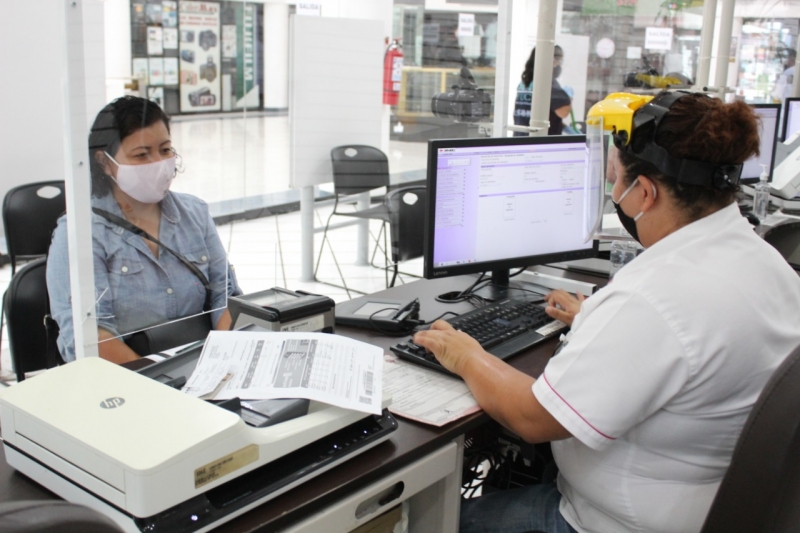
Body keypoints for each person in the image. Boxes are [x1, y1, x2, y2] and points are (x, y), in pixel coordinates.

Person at [414, 91, 800, 533]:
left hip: (610, 522)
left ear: (646, 193)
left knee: (433, 522)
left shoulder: (654, 298)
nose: (614, 193)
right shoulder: (768, 263)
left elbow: (532, 418)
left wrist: (466, 355)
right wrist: (597, 322)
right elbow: (697, 342)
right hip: (713, 501)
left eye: (617, 179)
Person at [47, 96, 242, 364]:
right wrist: (162, 382)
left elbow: (226, 299)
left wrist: (222, 363)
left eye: (165, 150)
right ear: (104, 162)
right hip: (126, 381)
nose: (158, 163)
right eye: (141, 154)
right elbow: (90, 337)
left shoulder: (195, 213)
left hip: (201, 365)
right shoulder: (80, 234)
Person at [514, 46, 571, 136]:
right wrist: (569, 97)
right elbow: (563, 112)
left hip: (521, 137)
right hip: (540, 143)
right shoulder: (547, 83)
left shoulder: (525, 82)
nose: (559, 65)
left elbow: (537, 113)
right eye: (559, 61)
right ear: (553, 62)